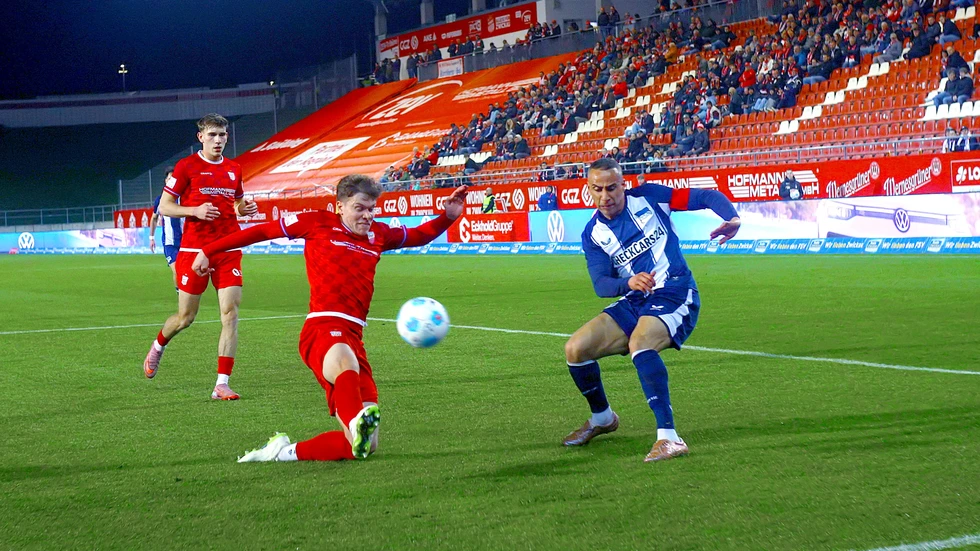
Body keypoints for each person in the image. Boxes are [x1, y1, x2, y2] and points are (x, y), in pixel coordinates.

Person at [192, 177, 468, 462]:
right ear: (340, 206)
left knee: (364, 446)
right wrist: (209, 250)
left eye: (372, 209)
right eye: (360, 208)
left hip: (354, 336)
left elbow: (418, 235)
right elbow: (261, 231)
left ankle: (282, 452)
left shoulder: (378, 235)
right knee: (343, 362)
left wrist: (447, 217)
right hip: (322, 327)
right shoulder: (317, 223)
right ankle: (354, 422)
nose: (367, 215)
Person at [561, 158, 740, 463]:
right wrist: (628, 282)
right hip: (635, 299)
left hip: (675, 291)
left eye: (612, 188)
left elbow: (705, 196)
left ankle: (670, 438)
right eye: (598, 189)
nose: (606, 196)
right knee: (576, 349)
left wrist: (732, 217)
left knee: (640, 343)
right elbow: (602, 284)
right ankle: (603, 418)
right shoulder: (593, 234)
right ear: (588, 190)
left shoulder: (650, 196)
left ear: (623, 185)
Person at [142, 113, 259, 400]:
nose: (218, 140)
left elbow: (238, 203)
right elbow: (166, 207)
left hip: (228, 249)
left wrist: (245, 209)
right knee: (186, 317)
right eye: (212, 135)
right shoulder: (187, 167)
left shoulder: (234, 169)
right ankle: (158, 346)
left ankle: (221, 384)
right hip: (194, 252)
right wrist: (194, 211)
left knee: (230, 315)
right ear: (201, 137)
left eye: (222, 135)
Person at [149, 168, 183, 287]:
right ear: (166, 181)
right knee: (178, 270)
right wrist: (151, 237)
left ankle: (186, 296)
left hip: (186, 242)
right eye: (169, 179)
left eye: (174, 179)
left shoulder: (184, 198)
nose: (172, 181)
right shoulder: (161, 200)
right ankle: (181, 297)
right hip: (170, 243)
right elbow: (154, 218)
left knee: (188, 272)